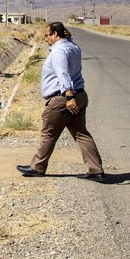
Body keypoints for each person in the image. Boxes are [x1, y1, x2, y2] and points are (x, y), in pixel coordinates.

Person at [17, 21, 106, 181]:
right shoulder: (73, 47)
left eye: (47, 35)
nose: (46, 39)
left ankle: (37, 167)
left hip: (64, 98)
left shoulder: (58, 51)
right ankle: (96, 170)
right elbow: (70, 52)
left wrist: (69, 97)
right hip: (80, 95)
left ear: (55, 34)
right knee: (81, 134)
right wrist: (69, 39)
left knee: (48, 133)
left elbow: (63, 74)